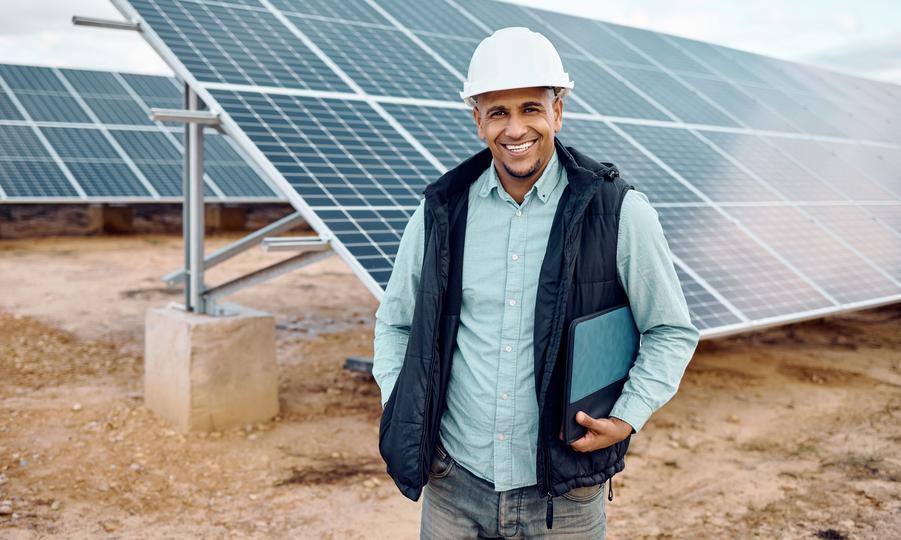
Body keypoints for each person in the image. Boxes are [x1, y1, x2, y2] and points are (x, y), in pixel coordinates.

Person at [373, 27, 699, 539]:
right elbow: (395, 323)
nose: (515, 128)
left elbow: (669, 331)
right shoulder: (441, 212)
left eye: (531, 108)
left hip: (564, 497)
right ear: (477, 119)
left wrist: (628, 416)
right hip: (453, 484)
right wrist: (404, 404)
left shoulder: (618, 211)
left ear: (558, 112)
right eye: (498, 112)